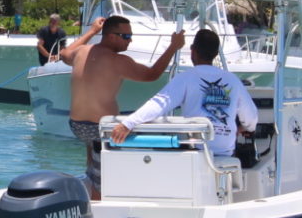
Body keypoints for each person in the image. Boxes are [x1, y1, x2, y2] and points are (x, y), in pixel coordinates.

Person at [62, 15, 186, 197]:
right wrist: (173, 47)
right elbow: (152, 74)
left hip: (77, 126)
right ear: (112, 36)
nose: (130, 41)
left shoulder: (81, 52)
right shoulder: (118, 61)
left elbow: (64, 53)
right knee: (105, 177)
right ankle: (98, 206)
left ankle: (92, 179)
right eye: (126, 37)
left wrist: (92, 31)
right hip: (101, 130)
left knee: (94, 163)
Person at [110, 27, 258, 158]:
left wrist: (128, 123)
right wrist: (245, 128)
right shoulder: (233, 80)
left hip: (197, 149)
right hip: (224, 152)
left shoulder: (187, 77)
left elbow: (160, 103)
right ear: (215, 53)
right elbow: (251, 117)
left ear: (193, 50)